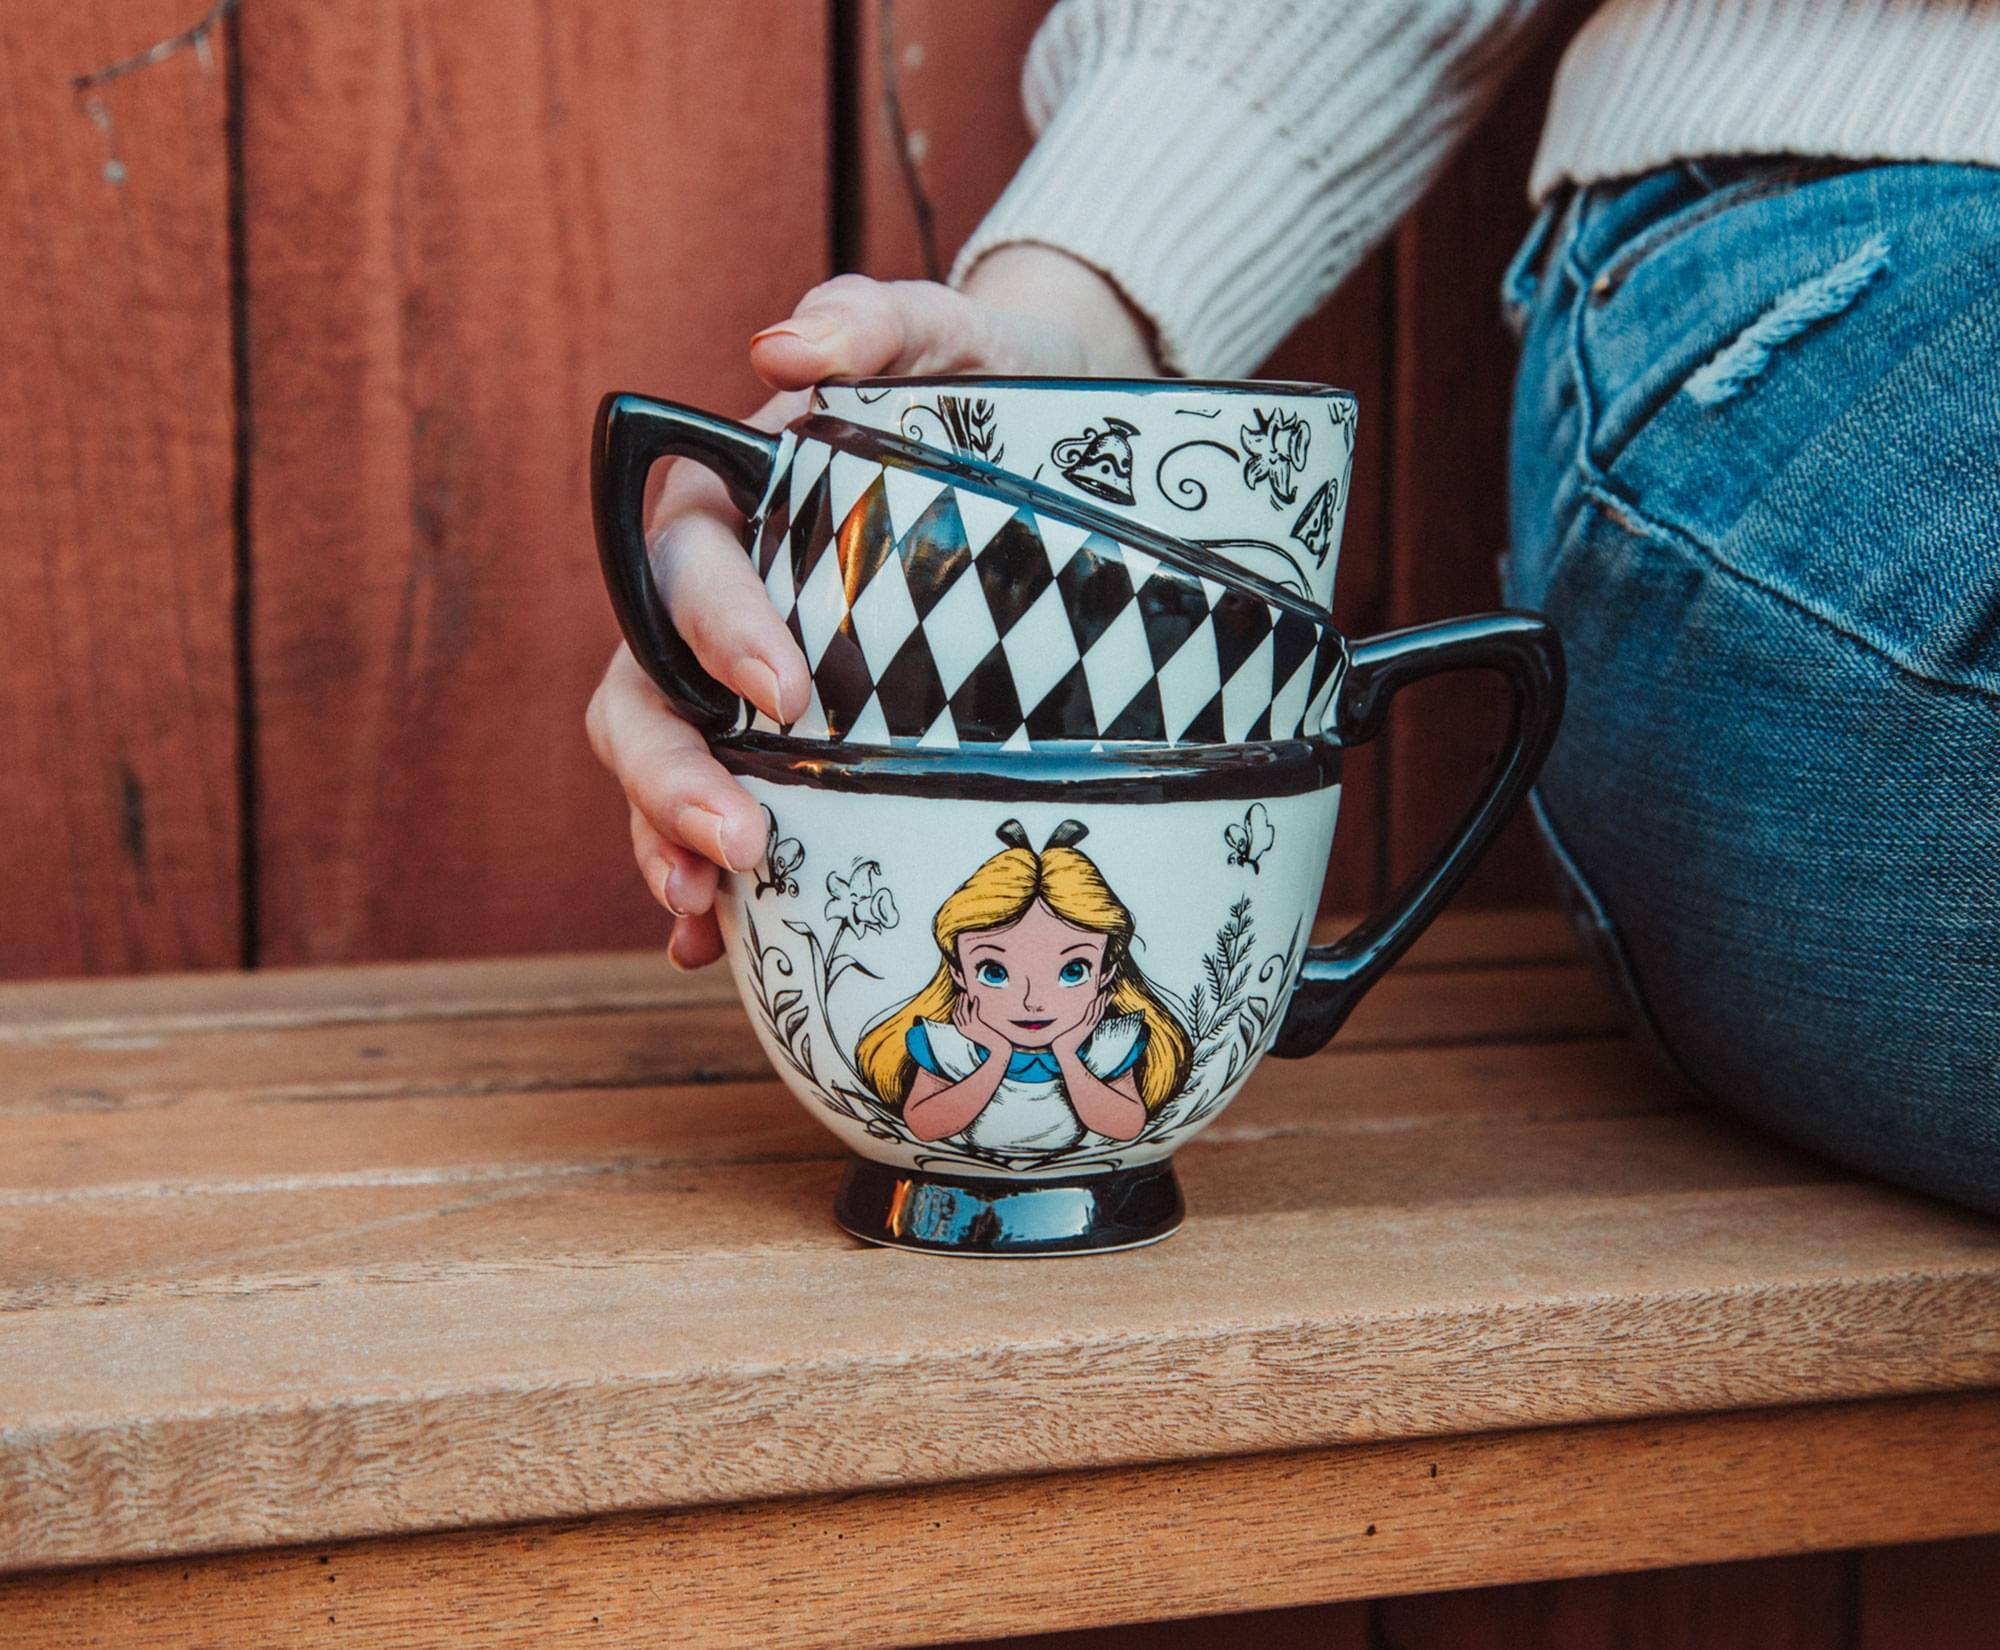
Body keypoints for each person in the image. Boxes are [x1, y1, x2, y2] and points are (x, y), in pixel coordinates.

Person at [586, 0, 2000, 1213]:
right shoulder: (948, 1048)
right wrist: (1064, 339)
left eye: (1065, 964)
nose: (1030, 989)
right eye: (1001, 962)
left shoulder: (1100, 1039)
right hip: (1861, 227)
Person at [855, 819, 1194, 1151]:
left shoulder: (1108, 1046)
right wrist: (996, 1056)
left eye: (1074, 970)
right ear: (959, 974)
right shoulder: (950, 1046)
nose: (1033, 1002)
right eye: (994, 972)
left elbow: (1125, 1125)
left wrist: (1068, 1054)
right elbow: (925, 1125)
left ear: (1106, 974)